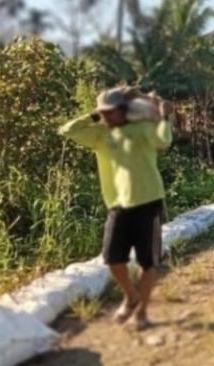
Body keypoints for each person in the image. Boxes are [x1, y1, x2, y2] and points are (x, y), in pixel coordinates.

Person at [58, 87, 173, 330]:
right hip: (118, 204)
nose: (108, 117)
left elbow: (164, 140)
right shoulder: (100, 135)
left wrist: (163, 115)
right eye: (104, 113)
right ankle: (131, 296)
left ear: (123, 110)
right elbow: (68, 130)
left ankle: (141, 312)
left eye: (111, 112)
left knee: (147, 262)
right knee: (112, 258)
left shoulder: (142, 128)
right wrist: (94, 115)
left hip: (148, 200)